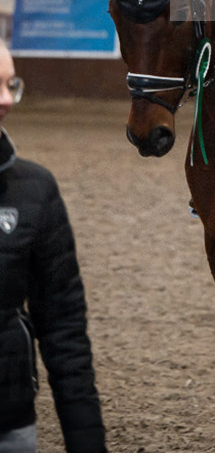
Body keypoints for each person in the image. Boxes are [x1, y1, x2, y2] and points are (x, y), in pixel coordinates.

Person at [0, 39, 107, 453]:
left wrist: (88, 443)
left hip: (10, 425)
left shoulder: (34, 191)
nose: (6, 100)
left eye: (11, 84)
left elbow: (64, 331)